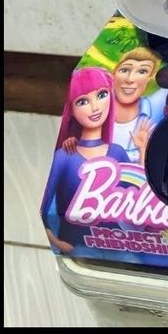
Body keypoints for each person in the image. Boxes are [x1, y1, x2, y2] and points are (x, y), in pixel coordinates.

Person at [41, 67, 129, 255]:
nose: (95, 107)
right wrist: (56, 242)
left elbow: (140, 197)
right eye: (82, 101)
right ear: (71, 110)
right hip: (77, 245)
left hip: (117, 245)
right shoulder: (64, 156)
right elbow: (44, 207)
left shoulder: (118, 152)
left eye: (102, 95)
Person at [64, 47, 163, 163]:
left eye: (142, 71)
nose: (130, 79)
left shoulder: (157, 113)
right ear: (114, 73)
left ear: (150, 79)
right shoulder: (94, 111)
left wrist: (143, 149)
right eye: (124, 70)